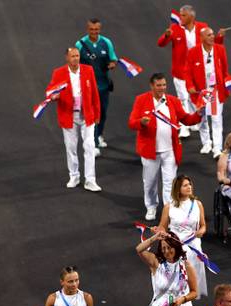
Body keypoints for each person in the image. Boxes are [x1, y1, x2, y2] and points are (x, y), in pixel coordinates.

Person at [128, 73, 203, 221]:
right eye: (159, 85)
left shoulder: (173, 101)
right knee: (150, 182)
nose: (162, 88)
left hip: (170, 150)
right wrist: (141, 123)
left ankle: (168, 210)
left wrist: (198, 114)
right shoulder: (141, 100)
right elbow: (131, 122)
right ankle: (151, 206)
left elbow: (186, 119)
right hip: (150, 151)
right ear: (152, 86)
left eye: (164, 85)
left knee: (170, 182)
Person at [47, 47, 101, 192]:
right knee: (71, 148)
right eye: (73, 56)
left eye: (77, 56)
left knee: (89, 146)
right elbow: (50, 92)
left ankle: (90, 180)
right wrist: (53, 97)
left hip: (87, 115)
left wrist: (97, 115)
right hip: (69, 115)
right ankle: (74, 176)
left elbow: (95, 93)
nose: (76, 58)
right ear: (67, 58)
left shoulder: (88, 70)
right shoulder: (58, 73)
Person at [156, 5, 210, 138]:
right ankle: (185, 127)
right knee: (183, 98)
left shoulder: (202, 27)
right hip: (180, 72)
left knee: (196, 98)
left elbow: (210, 42)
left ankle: (195, 121)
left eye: (183, 15)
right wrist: (166, 35)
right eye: (180, 15)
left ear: (192, 17)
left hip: (197, 71)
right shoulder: (174, 28)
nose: (181, 18)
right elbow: (161, 43)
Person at [158, 174, 208, 298]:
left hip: (193, 245)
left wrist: (201, 231)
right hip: (176, 245)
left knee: (193, 273)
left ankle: (191, 295)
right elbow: (162, 227)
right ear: (178, 188)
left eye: (189, 184)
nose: (189, 187)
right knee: (177, 276)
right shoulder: (169, 207)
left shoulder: (198, 204)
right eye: (185, 185)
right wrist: (161, 233)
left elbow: (203, 225)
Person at [186, 27, 231, 156]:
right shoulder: (193, 52)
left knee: (217, 118)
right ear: (201, 38)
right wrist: (189, 86)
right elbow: (188, 72)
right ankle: (206, 142)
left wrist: (227, 84)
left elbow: (225, 70)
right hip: (200, 91)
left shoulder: (220, 49)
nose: (212, 37)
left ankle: (217, 148)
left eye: (213, 34)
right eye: (209, 35)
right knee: (202, 118)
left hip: (215, 89)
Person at [75, 18, 118, 151]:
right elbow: (74, 63)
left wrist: (112, 64)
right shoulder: (80, 44)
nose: (94, 32)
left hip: (103, 85)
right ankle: (92, 142)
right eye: (91, 29)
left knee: (102, 113)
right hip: (87, 87)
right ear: (87, 29)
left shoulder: (106, 42)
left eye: (96, 29)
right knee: (91, 114)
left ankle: (99, 135)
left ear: (100, 29)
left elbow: (113, 59)